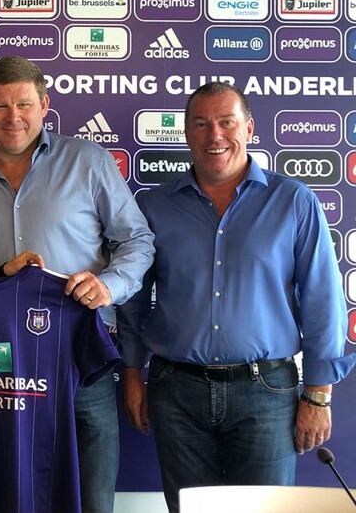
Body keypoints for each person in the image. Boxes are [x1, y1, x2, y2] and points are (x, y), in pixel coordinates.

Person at [117, 82, 356, 513]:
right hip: (175, 393)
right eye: (201, 124)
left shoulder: (294, 201)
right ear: (186, 133)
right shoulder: (154, 206)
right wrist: (132, 373)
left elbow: (323, 301)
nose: (215, 135)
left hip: (266, 394)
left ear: (248, 128)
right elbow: (133, 301)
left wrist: (319, 394)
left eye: (227, 122)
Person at [0, 56, 155, 513]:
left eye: (23, 104)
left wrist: (109, 285)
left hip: (81, 352)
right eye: (0, 106)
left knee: (91, 498)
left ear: (44, 105)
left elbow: (137, 240)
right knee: (6, 494)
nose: (12, 117)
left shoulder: (88, 162)